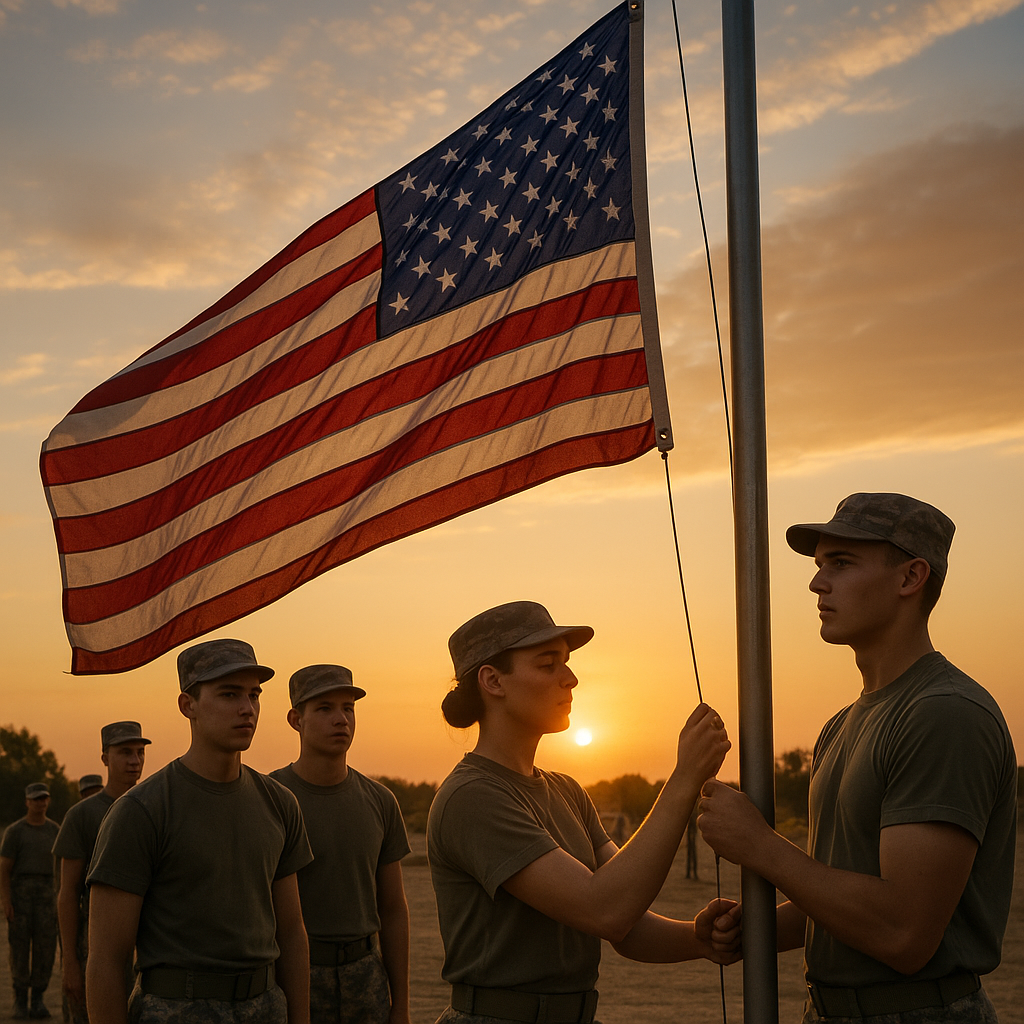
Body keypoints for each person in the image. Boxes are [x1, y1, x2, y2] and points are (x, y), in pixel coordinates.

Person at [699, 492, 1017, 1022]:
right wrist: (754, 928)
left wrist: (759, 845)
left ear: (910, 578)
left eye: (841, 564)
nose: (816, 582)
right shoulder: (841, 725)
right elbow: (837, 893)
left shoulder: (943, 714)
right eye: (821, 564)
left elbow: (903, 933)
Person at [428, 600, 742, 1024]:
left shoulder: (567, 791)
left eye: (567, 663)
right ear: (492, 681)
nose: (570, 678)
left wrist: (698, 939)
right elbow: (605, 910)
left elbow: (627, 922)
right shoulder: (472, 797)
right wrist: (684, 780)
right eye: (547, 664)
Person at [86, 639, 313, 1024]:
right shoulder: (141, 811)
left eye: (254, 695)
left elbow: (291, 932)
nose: (247, 709)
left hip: (266, 1006)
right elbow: (107, 958)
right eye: (229, 694)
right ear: (187, 705)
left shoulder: (279, 803)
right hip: (176, 1009)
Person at [271, 665, 412, 1024]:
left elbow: (393, 909)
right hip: (290, 976)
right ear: (295, 719)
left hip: (365, 978)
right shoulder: (267, 799)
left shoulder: (380, 801)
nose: (341, 719)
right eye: (324, 708)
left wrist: (401, 1006)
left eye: (348, 708)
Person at [53, 722, 150, 1024]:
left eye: (139, 752)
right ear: (105, 758)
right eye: (124, 752)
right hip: (94, 942)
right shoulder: (82, 815)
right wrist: (70, 962)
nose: (134, 761)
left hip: (148, 943)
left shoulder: (153, 807)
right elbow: (68, 893)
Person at [1, 782, 60, 1019]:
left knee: (46, 948)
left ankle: (38, 998)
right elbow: (4, 869)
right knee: (20, 948)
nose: (41, 803)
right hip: (21, 894)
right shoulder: (15, 832)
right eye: (36, 799)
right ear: (27, 802)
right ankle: (19, 1000)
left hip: (47, 894)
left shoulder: (55, 830)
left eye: (44, 798)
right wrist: (6, 901)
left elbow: (62, 868)